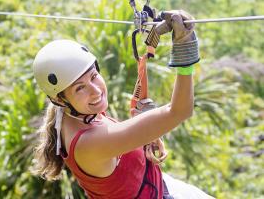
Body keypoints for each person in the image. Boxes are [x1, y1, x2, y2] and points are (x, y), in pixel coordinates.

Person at [32, 10, 215, 199]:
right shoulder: (88, 143)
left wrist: (144, 132)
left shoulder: (74, 113)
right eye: (80, 88)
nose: (95, 91)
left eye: (94, 76)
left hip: (160, 185)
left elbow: (116, 147)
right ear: (60, 99)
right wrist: (185, 50)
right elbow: (180, 111)